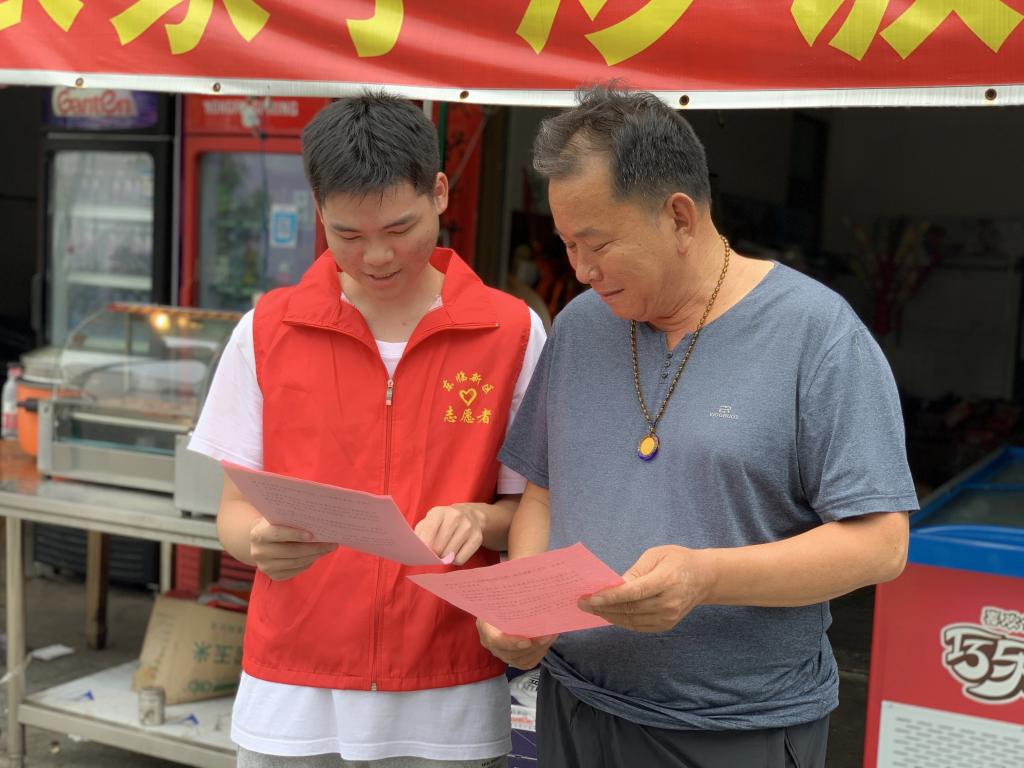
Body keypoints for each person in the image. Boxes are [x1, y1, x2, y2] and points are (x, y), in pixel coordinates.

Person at [478, 86, 917, 768]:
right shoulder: (579, 327)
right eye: (567, 245)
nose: (582, 270)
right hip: (573, 705)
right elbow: (543, 491)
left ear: (679, 216)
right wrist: (526, 603)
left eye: (598, 244)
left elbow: (881, 545)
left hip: (734, 726)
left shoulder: (816, 334)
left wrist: (707, 576)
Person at [189, 93, 546, 768]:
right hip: (292, 690)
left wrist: (478, 518)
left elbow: (528, 507)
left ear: (439, 192)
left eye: (400, 227)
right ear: (318, 210)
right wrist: (260, 542)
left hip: (447, 690)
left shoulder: (510, 332)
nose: (377, 256)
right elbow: (234, 512)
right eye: (348, 235)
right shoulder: (268, 330)